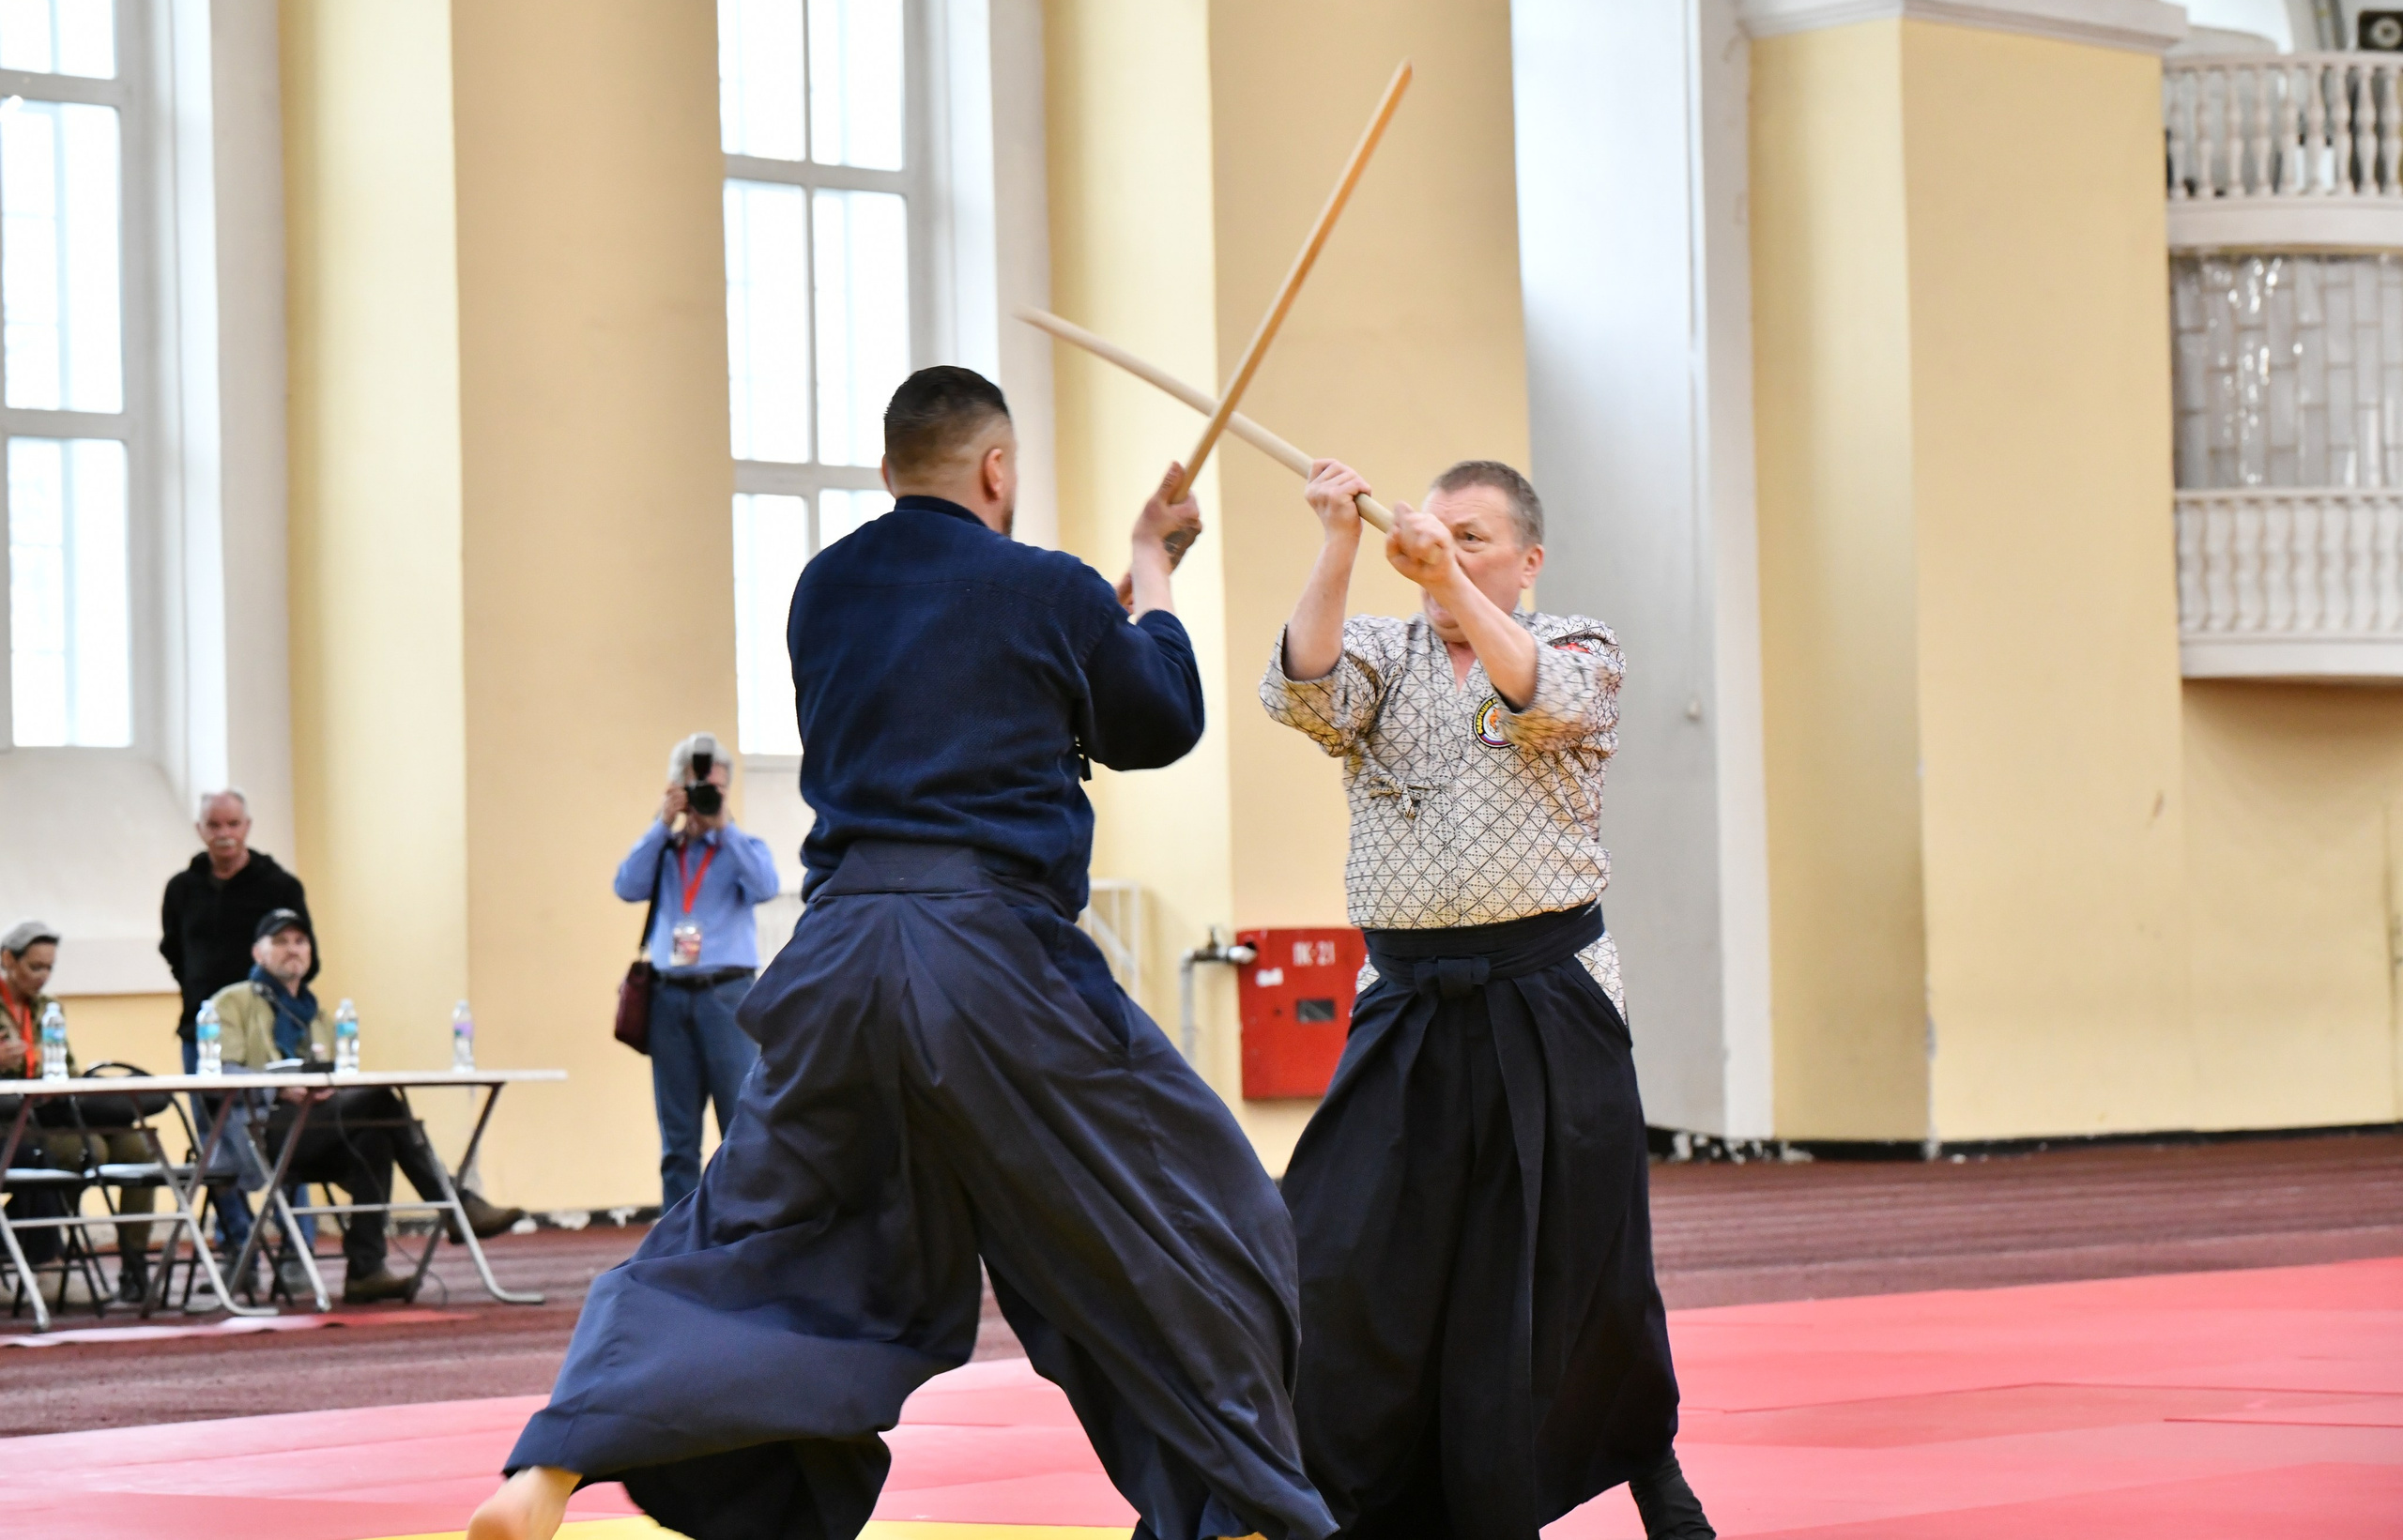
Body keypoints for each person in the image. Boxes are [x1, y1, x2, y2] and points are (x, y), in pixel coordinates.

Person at [469, 367, 1333, 1540]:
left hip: (834, 958)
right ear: (997, 468)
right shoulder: (1049, 589)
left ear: (887, 469)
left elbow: (957, 676)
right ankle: (1244, 1506)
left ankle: (555, 1462)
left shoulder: (824, 589)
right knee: (1196, 1207)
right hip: (989, 957)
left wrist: (1094, 604)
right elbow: (1157, 720)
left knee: (752, 1228)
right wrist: (1153, 568)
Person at [1259, 459, 1715, 1540]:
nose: (1445, 550)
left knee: (1578, 1261)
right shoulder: (1383, 651)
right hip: (1405, 999)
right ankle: (1320, 1497)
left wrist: (1449, 584)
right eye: (1433, 532)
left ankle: (1646, 1463)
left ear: (1528, 559)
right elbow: (1303, 692)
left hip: (1550, 994)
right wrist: (1336, 542)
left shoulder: (1578, 645)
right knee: (1338, 1251)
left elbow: (1536, 699)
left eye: (1473, 537)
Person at [202, 910, 524, 1304]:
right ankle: (458, 1205)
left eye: (300, 941)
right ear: (258, 952)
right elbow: (221, 1073)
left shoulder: (317, 1014)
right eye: (281, 942)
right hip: (263, 1129)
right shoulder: (230, 1002)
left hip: (316, 1126)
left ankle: (366, 1271)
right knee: (381, 1099)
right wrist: (281, 1087)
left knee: (375, 1137)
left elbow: (339, 1075)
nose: (293, 950)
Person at [613, 733, 778, 1207]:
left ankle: (742, 1232)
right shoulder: (665, 851)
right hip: (669, 998)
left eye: (716, 789)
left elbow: (765, 886)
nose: (708, 798)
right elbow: (626, 886)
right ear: (676, 789)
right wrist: (662, 822)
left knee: (742, 1129)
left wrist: (724, 826)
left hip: (727, 997)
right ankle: (677, 1238)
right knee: (677, 1140)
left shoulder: (742, 848)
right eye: (697, 789)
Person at [0, 921, 160, 1302]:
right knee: (90, 1152)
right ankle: (49, 1256)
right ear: (8, 960)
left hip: (57, 1110)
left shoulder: (50, 1008)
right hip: (12, 1117)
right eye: (34, 966)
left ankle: (135, 1264)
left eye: (49, 968)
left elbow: (67, 1067)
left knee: (139, 1150)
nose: (42, 976)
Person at [161, 790, 317, 1073]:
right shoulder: (181, 889)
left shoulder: (281, 887)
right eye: (214, 825)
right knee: (209, 1103)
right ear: (199, 829)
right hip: (201, 1028)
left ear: (247, 826)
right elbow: (174, 952)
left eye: (233, 824)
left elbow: (307, 958)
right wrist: (199, 988)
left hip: (267, 1031)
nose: (224, 833)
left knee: (272, 1101)